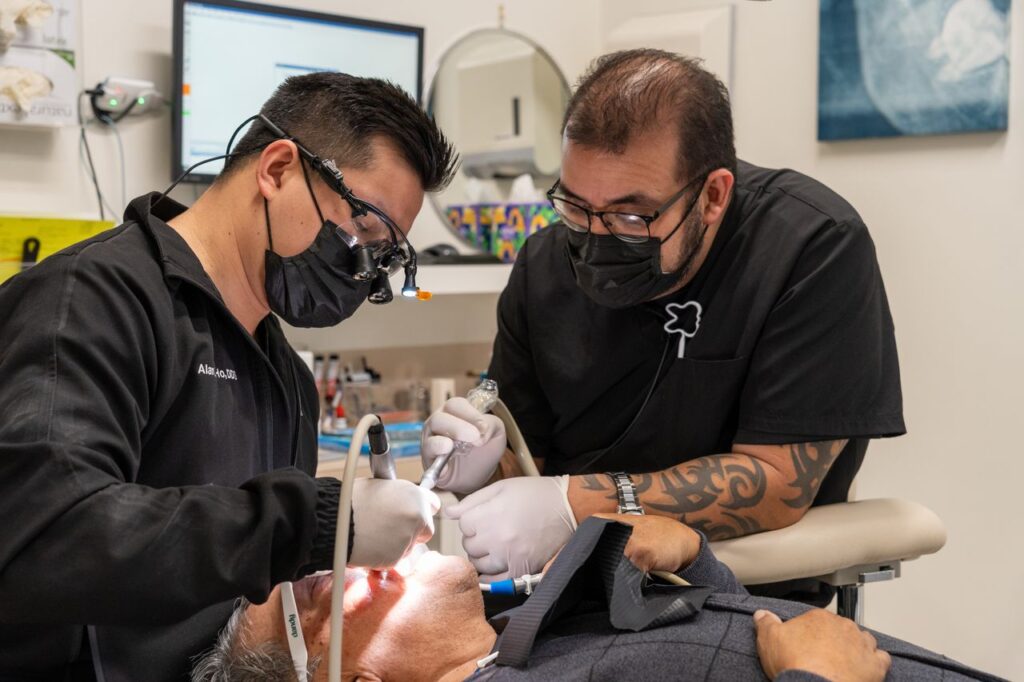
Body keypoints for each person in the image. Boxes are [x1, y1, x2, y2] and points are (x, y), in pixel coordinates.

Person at [0, 72, 457, 681]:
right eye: (363, 227)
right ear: (277, 169)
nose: (365, 270)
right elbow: (47, 539)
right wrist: (319, 521)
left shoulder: (287, 380)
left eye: (387, 254)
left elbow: (246, 586)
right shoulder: (90, 301)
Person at [421, 48, 905, 598]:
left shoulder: (810, 247)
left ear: (713, 196)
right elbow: (529, 471)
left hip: (741, 599)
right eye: (575, 207)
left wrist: (573, 505)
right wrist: (480, 468)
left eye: (631, 216)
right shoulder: (543, 266)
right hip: (566, 593)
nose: (596, 238)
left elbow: (777, 483)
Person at [192, 514, 1000, 682]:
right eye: (318, 591)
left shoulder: (522, 640)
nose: (356, 564)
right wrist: (818, 681)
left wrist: (699, 564)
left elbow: (718, 646)